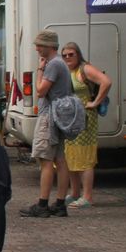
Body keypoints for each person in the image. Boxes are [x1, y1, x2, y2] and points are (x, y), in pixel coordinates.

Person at [19, 30, 74, 218]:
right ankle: (60, 203)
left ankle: (42, 204)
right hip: (59, 116)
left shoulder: (53, 65)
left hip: (49, 116)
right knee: (60, 159)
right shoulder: (62, 64)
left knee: (45, 160)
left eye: (39, 45)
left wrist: (40, 70)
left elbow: (41, 91)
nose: (36, 48)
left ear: (50, 46)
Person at [60, 41, 112, 208]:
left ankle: (87, 196)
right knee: (71, 156)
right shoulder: (69, 70)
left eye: (71, 54)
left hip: (85, 118)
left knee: (85, 156)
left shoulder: (85, 69)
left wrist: (95, 102)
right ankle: (75, 193)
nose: (68, 57)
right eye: (65, 55)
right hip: (70, 120)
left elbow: (106, 82)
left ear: (78, 54)